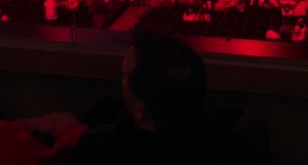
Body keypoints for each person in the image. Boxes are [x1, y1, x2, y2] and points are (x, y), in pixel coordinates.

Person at [68, 33, 268, 164]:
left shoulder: (98, 149)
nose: (122, 84)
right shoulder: (239, 140)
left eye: (125, 78)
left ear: (140, 110)